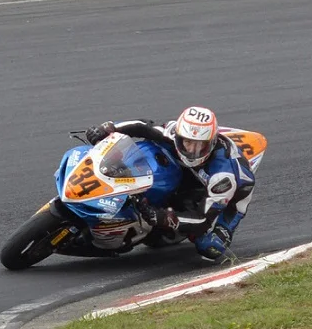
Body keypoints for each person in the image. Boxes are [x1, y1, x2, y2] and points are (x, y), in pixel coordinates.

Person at [84, 106, 256, 261]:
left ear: (211, 143)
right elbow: (143, 126)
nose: (191, 151)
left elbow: (202, 219)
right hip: (194, 173)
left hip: (227, 200)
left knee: (210, 247)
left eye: (199, 146)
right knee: (155, 148)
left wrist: (164, 218)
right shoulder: (175, 133)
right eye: (186, 143)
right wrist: (108, 128)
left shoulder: (223, 177)